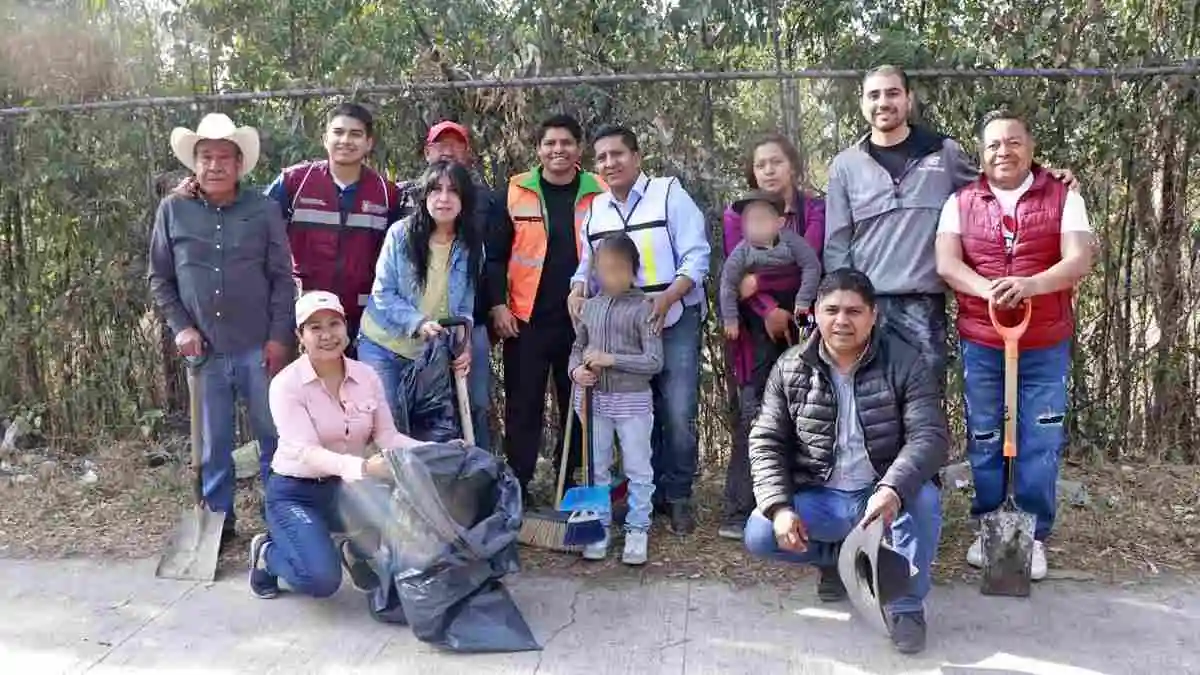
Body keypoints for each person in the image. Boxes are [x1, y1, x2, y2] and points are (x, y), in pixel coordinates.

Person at [823, 65, 1078, 384]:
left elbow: (994, 187)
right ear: (862, 103)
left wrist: (1045, 177)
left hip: (923, 305)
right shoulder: (846, 165)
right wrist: (844, 304)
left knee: (924, 403)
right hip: (865, 305)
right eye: (874, 95)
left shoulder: (943, 152)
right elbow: (836, 241)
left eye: (892, 93)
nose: (883, 102)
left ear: (908, 99)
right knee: (868, 402)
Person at [743, 268, 947, 655]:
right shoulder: (790, 367)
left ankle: (906, 606)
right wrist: (781, 507)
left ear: (873, 316)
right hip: (821, 496)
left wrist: (892, 488)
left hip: (879, 495)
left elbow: (930, 436)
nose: (841, 321)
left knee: (923, 500)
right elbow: (766, 441)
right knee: (760, 532)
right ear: (816, 313)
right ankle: (841, 560)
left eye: (854, 311)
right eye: (832, 309)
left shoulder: (904, 362)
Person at [935, 110, 1095, 580]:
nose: (1002, 152)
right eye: (992, 146)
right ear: (981, 155)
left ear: (1031, 146)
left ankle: (1033, 534)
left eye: (1012, 143)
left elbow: (1078, 259)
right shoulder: (961, 201)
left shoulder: (1063, 197)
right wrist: (990, 291)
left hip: (1044, 343)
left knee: (1038, 439)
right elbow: (947, 263)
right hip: (984, 342)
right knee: (986, 436)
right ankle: (990, 525)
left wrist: (1028, 286)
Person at [148, 112, 295, 544]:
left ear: (239, 164)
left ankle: (282, 517)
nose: (215, 166)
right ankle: (218, 524)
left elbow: (283, 278)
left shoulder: (263, 210)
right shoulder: (173, 210)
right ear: (195, 163)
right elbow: (160, 278)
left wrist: (279, 337)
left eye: (224, 158)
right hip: (205, 352)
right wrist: (181, 327)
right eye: (206, 157)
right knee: (213, 445)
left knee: (274, 436)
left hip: (258, 346)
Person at [569, 124, 709, 535]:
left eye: (618, 154)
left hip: (673, 320)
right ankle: (636, 495)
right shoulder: (595, 210)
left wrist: (666, 299)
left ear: (637, 157)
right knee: (632, 416)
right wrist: (577, 291)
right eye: (602, 158)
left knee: (678, 410)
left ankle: (677, 495)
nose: (610, 163)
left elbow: (697, 256)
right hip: (620, 330)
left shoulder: (669, 194)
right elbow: (586, 265)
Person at [250, 290, 426, 601]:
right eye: (315, 328)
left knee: (403, 521)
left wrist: (431, 452)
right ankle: (269, 554)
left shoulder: (366, 375)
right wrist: (364, 467)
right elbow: (306, 451)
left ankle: (355, 552)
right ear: (299, 336)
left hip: (346, 490)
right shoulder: (286, 385)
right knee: (321, 581)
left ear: (346, 327)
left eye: (334, 324)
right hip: (296, 493)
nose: (327, 335)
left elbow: (388, 437)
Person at [488, 114, 606, 504]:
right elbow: (495, 257)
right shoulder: (516, 190)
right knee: (524, 406)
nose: (558, 150)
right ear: (538, 149)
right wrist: (498, 305)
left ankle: (569, 481)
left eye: (566, 143)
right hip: (526, 320)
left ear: (579, 148)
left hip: (582, 320)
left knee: (578, 404)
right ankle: (518, 483)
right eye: (550, 143)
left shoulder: (599, 191)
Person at [719, 132, 826, 541]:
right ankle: (739, 507)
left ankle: (803, 504)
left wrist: (761, 284)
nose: (768, 170)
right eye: (760, 164)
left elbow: (808, 260)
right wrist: (767, 309)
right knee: (754, 412)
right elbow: (735, 274)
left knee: (809, 409)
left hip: (807, 318)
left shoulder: (815, 210)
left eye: (776, 162)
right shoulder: (737, 214)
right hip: (755, 329)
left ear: (793, 168)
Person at [397, 120, 505, 453]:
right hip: (415, 324)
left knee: (474, 401)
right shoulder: (402, 197)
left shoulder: (487, 200)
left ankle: (479, 472)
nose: (447, 150)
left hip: (469, 320)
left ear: (467, 153)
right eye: (440, 144)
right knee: (417, 405)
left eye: (456, 144)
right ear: (427, 151)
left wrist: (496, 305)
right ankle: (426, 479)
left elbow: (497, 258)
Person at [357, 161, 482, 440]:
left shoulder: (470, 245)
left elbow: (464, 307)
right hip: (383, 346)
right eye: (436, 189)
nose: (444, 198)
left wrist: (465, 344)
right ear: (424, 196)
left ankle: (423, 485)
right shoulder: (400, 235)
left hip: (428, 355)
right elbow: (383, 292)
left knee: (429, 435)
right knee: (389, 432)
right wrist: (419, 322)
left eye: (454, 191)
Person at [264, 103, 401, 350]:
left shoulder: (386, 193)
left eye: (355, 134)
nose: (345, 140)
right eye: (338, 132)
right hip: (306, 316)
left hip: (364, 319)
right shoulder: (294, 182)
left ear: (369, 143)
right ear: (325, 138)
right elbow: (256, 225)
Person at [568, 233, 663, 565]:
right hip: (595, 402)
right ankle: (599, 526)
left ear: (633, 270)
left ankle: (638, 528)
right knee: (596, 467)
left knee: (638, 467)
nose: (609, 276)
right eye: (603, 269)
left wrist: (613, 359)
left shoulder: (645, 308)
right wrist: (576, 372)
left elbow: (654, 362)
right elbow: (578, 349)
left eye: (618, 269)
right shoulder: (589, 308)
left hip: (633, 402)